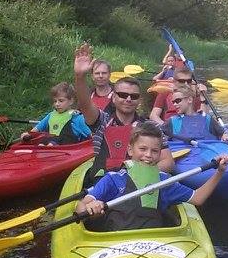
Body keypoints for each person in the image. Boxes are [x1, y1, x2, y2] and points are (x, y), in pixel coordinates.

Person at [75, 122, 228, 231]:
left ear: (159, 154)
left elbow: (197, 198)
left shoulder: (164, 181)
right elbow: (81, 206)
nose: (148, 155)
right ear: (130, 150)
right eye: (142, 149)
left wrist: (219, 172)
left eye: (154, 151)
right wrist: (91, 207)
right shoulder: (114, 179)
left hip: (153, 243)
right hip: (116, 242)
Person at [74, 43, 174, 177]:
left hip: (136, 183)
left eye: (134, 96)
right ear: (113, 98)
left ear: (139, 101)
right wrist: (80, 77)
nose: (128, 99)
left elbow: (168, 162)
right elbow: (85, 104)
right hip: (102, 183)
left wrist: (135, 174)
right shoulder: (101, 121)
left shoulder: (151, 126)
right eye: (122, 95)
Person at [21, 82, 92, 145]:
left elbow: (90, 134)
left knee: (53, 142)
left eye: (61, 101)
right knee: (43, 141)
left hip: (67, 149)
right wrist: (28, 134)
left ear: (71, 101)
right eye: (55, 101)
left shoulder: (77, 117)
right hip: (50, 144)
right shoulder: (51, 115)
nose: (57, 104)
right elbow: (38, 128)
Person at [162, 84, 228, 143]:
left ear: (190, 100)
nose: (175, 104)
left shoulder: (207, 118)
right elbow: (157, 134)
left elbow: (223, 133)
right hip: (186, 154)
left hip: (208, 153)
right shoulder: (172, 121)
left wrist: (225, 135)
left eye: (178, 101)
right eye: (173, 102)